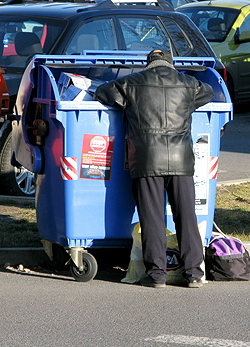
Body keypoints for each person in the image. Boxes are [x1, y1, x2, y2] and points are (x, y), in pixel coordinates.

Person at [94, 49, 214, 288]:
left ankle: (157, 274)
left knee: (152, 217)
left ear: (148, 64)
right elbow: (209, 93)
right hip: (181, 161)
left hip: (146, 158)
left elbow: (102, 93)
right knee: (186, 216)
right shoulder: (189, 84)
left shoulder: (131, 82)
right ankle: (193, 273)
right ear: (171, 64)